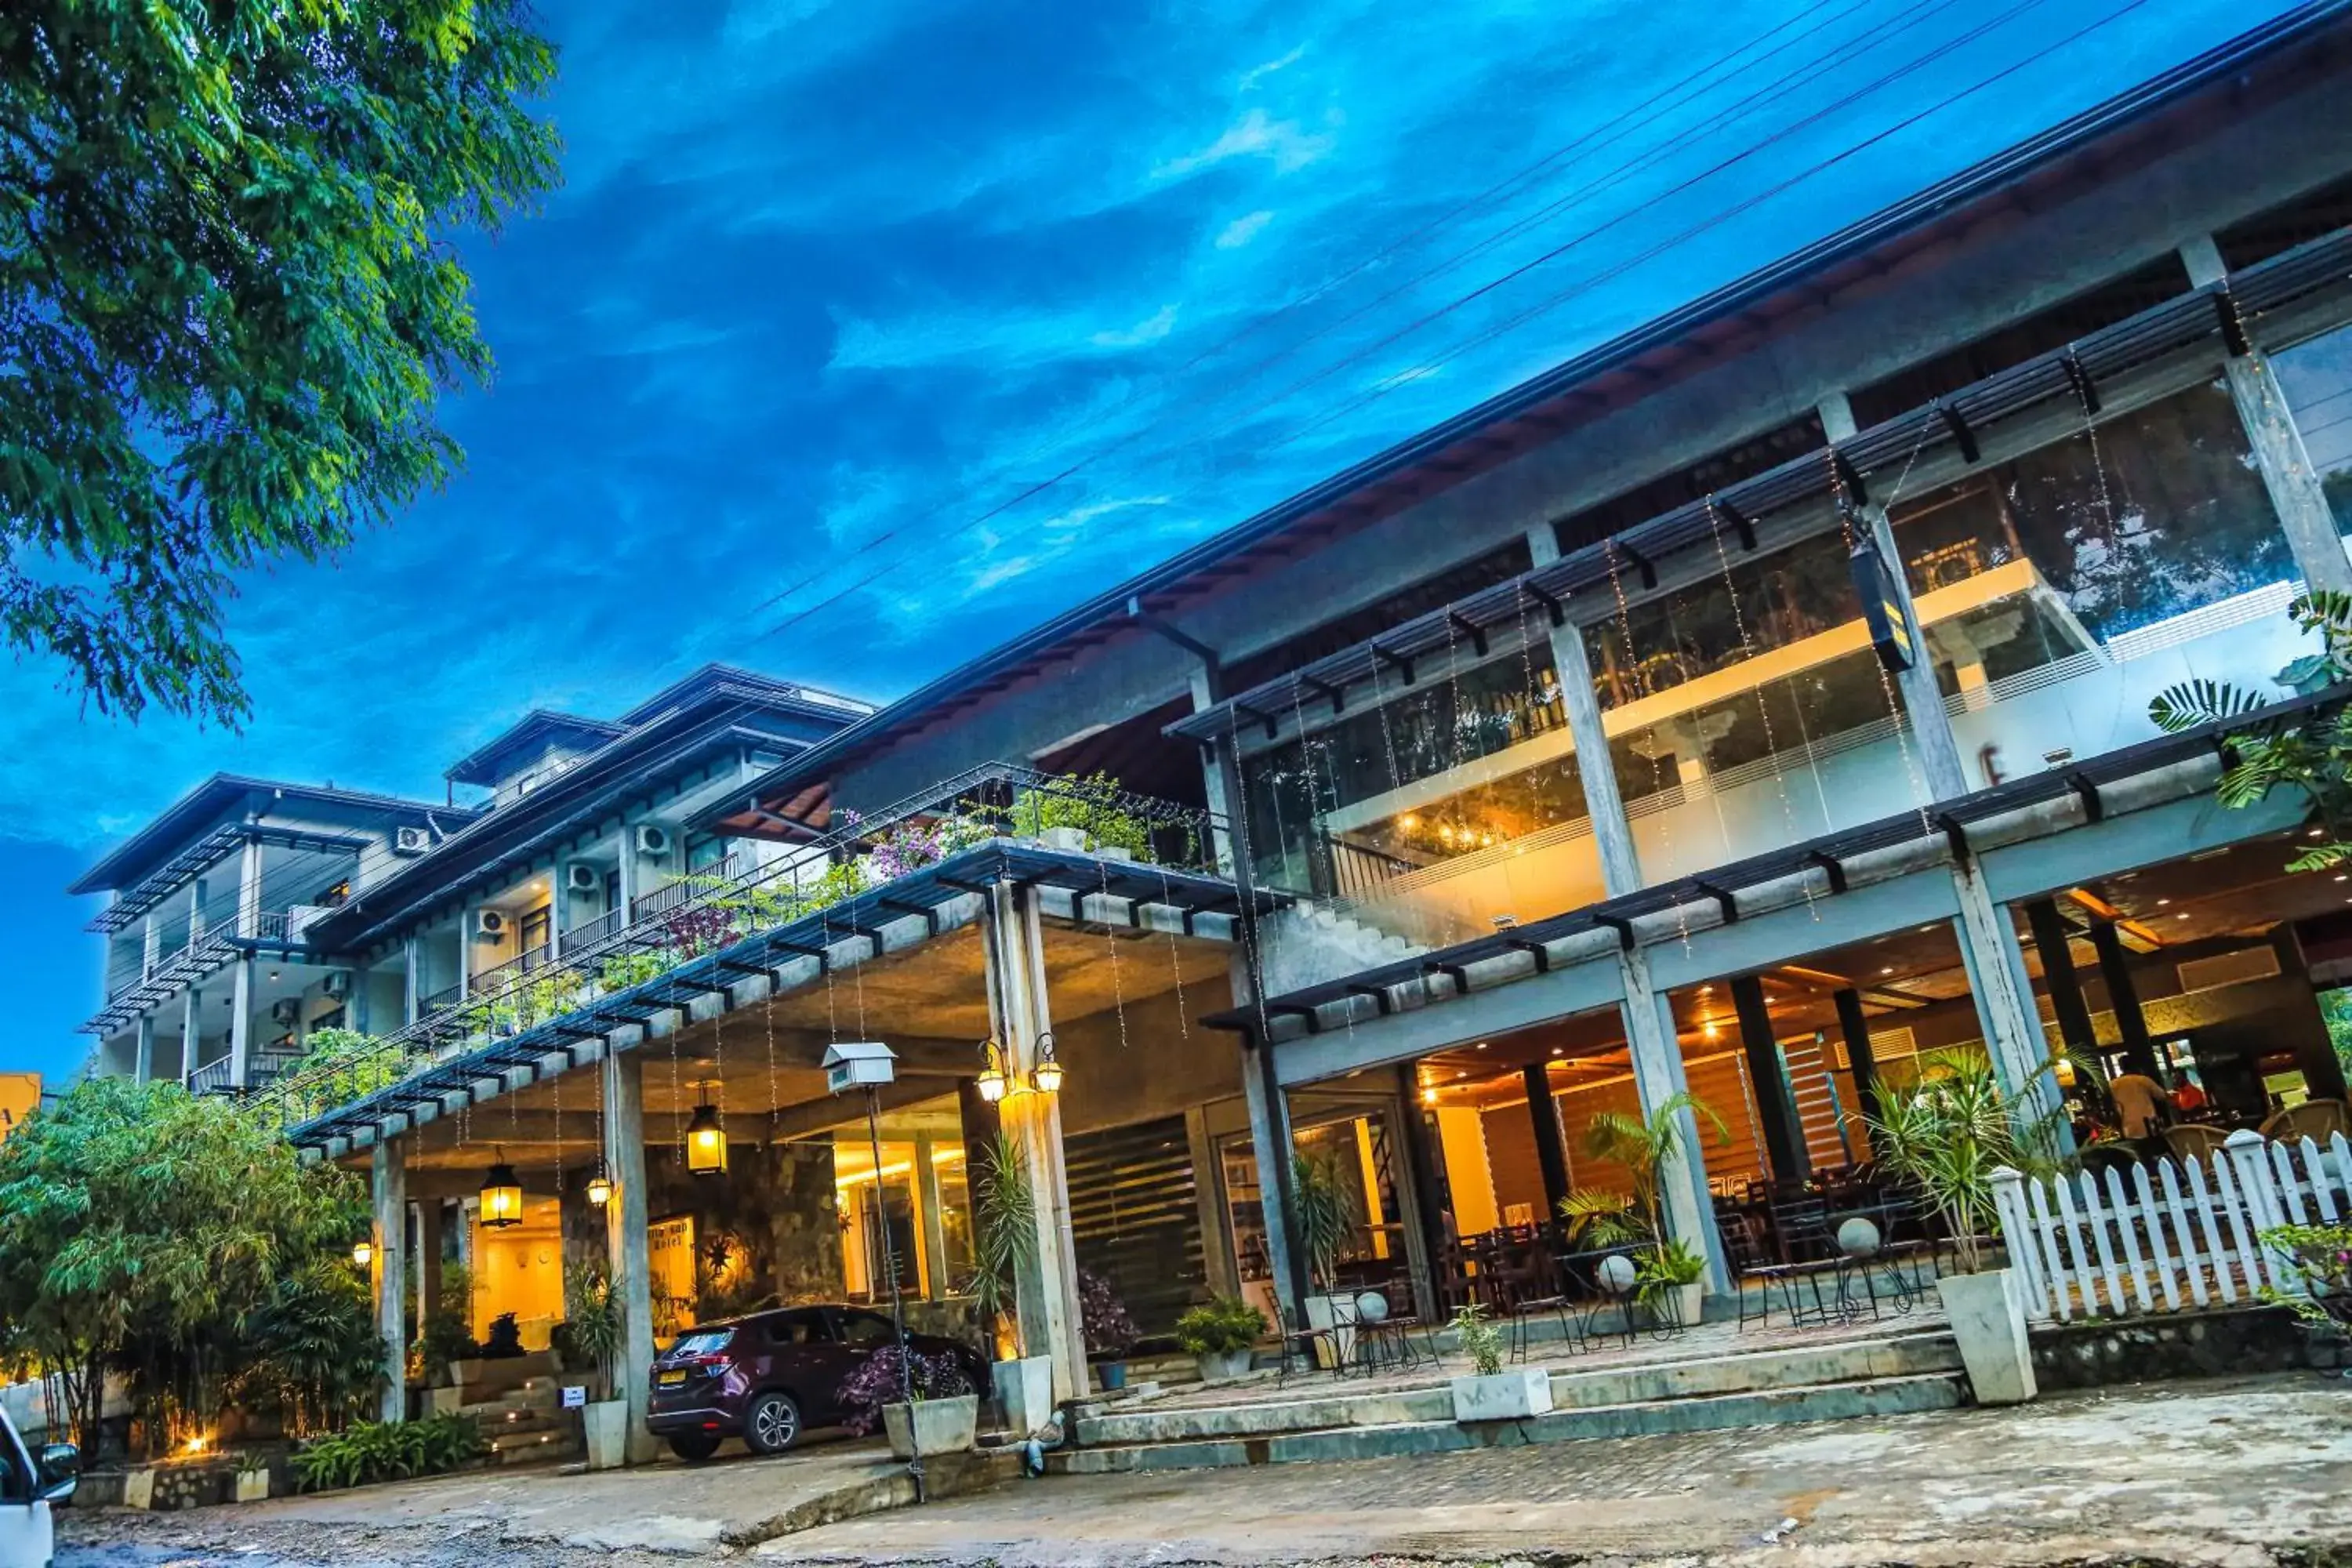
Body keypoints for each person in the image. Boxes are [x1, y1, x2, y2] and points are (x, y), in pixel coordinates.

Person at [2108, 1069, 2172, 1159]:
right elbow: (2161, 1095)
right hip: (2148, 1125)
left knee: (2138, 1154)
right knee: (2155, 1152)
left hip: (2127, 1127)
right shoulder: (2143, 1080)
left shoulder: (2113, 1085)